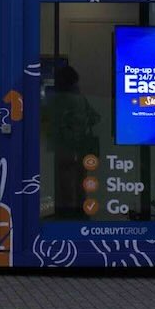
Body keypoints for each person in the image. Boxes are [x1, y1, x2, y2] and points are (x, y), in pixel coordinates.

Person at [44, 65, 100, 219]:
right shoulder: (80, 99)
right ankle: (80, 210)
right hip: (80, 145)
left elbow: (50, 120)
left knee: (64, 180)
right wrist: (82, 123)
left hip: (62, 146)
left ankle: (66, 211)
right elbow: (95, 117)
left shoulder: (55, 99)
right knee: (80, 179)